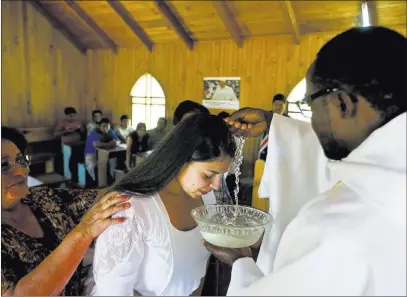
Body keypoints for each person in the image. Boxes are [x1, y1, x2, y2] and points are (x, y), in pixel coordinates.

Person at [204, 26, 406, 295]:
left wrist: (241, 264)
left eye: (310, 107)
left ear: (342, 104)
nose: (311, 122)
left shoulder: (334, 225)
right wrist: (274, 126)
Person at [85, 114, 236, 296]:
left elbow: (196, 273)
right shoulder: (132, 209)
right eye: (208, 175)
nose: (217, 185)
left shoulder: (207, 198)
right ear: (180, 160)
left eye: (222, 175)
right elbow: (112, 290)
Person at [1, 126, 131, 296]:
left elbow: (99, 198)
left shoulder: (41, 197)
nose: (21, 170)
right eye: (4, 165)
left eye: (20, 160)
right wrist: (83, 233)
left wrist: (137, 186)